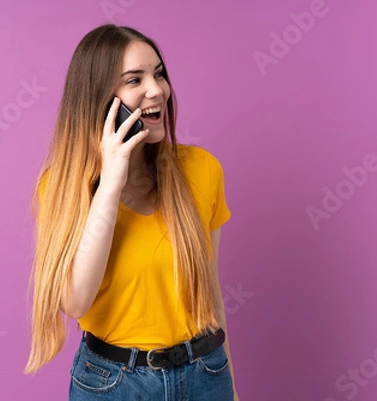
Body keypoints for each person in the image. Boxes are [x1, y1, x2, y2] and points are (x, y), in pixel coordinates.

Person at [24, 23, 239, 400]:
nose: (157, 90)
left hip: (206, 373)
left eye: (158, 74)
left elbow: (210, 293)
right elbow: (75, 302)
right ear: (100, 98)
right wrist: (110, 181)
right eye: (134, 80)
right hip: (115, 385)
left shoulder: (202, 169)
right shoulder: (61, 187)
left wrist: (231, 388)